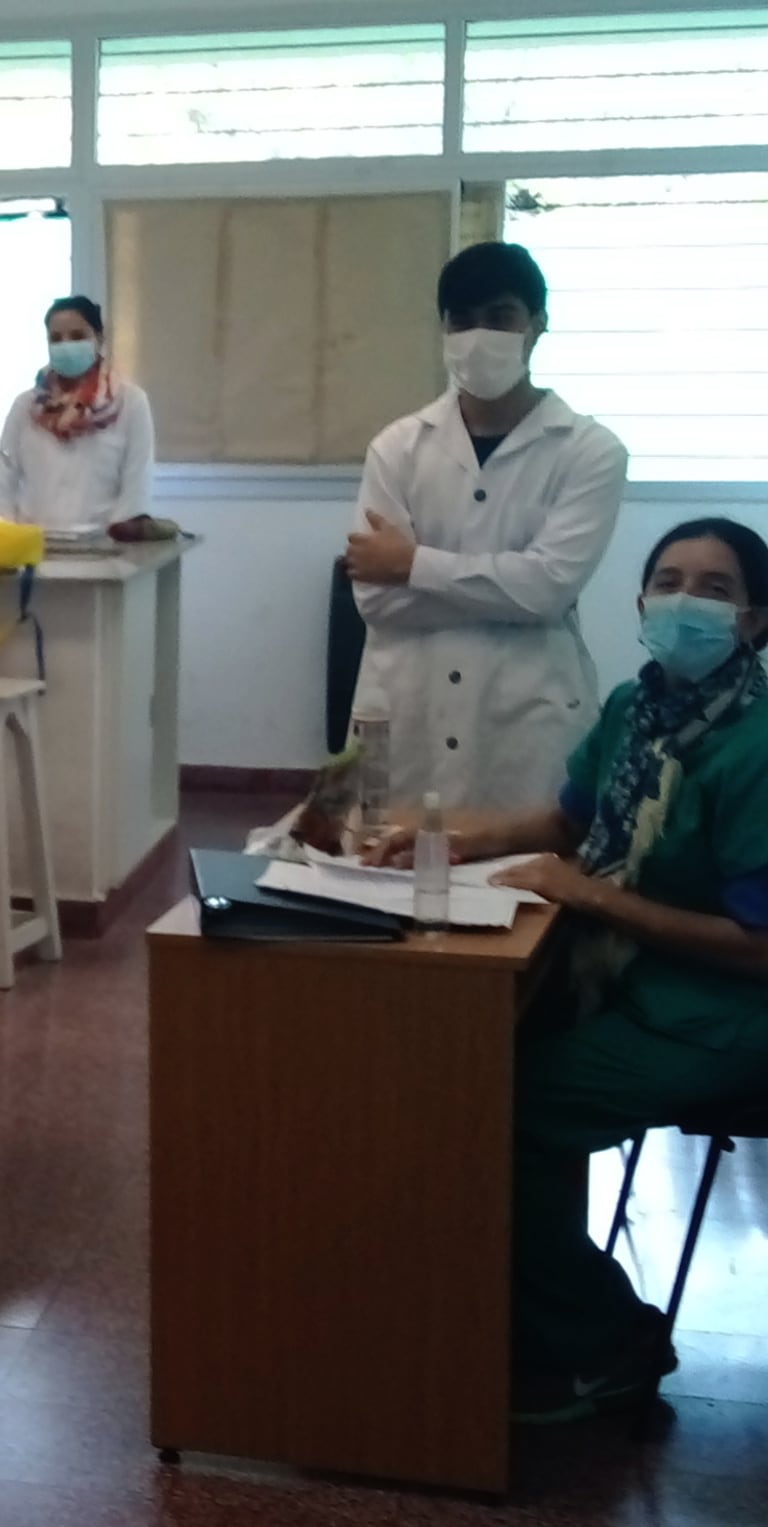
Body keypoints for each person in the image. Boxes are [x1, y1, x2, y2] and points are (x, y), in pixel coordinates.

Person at [369, 518, 768, 1423]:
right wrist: (445, 836)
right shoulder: (639, 705)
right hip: (634, 980)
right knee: (459, 1062)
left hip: (725, 1011)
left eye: (714, 588)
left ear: (754, 621)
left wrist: (590, 899)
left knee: (496, 1112)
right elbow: (566, 825)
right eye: (668, 580)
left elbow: (759, 945)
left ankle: (608, 1340)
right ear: (637, 604)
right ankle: (501, 1306)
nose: (684, 601)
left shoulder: (758, 745)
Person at [347, 241, 627, 813]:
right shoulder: (397, 447)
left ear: (537, 325)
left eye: (500, 317)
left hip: (526, 722)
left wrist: (413, 566)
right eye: (462, 321)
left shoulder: (590, 451)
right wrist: (508, 592)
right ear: (443, 329)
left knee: (524, 885)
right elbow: (376, 599)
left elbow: (550, 589)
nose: (479, 336)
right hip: (407, 710)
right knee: (386, 877)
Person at [0, 295, 155, 532]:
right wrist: (5, 538)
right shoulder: (26, 406)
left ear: (99, 339)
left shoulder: (130, 402)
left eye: (77, 336)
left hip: (103, 553)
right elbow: (2, 484)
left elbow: (136, 487)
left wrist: (116, 541)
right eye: (55, 339)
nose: (65, 345)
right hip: (34, 549)